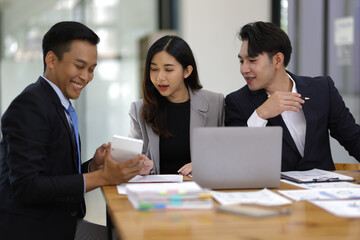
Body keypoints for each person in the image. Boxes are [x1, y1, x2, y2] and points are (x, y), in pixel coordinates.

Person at [0, 21, 152, 240]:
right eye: (79, 66)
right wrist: (102, 177)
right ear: (51, 60)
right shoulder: (30, 106)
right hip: (36, 229)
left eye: (91, 69)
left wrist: (93, 166)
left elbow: (55, 175)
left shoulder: (58, 104)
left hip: (61, 221)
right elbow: (28, 186)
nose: (86, 77)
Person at [225, 21, 360, 171]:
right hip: (275, 191)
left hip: (325, 189)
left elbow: (353, 138)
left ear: (277, 60)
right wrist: (261, 114)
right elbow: (234, 157)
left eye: (252, 60)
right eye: (241, 61)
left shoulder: (322, 89)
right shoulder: (236, 102)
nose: (244, 69)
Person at [129, 35, 224, 176]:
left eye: (168, 70)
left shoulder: (215, 103)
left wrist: (204, 164)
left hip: (200, 191)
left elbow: (226, 154)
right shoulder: (139, 109)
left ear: (187, 71)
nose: (160, 77)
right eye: (154, 69)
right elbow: (134, 161)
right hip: (158, 193)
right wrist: (142, 167)